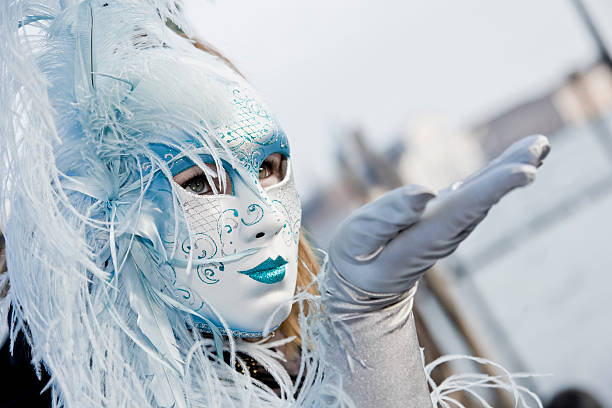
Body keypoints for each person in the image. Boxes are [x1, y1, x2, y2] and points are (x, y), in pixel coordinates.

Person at [0, 0, 549, 406]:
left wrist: (374, 326)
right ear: (106, 213)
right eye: (202, 180)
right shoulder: (51, 374)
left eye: (269, 168)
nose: (263, 217)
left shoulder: (310, 346)